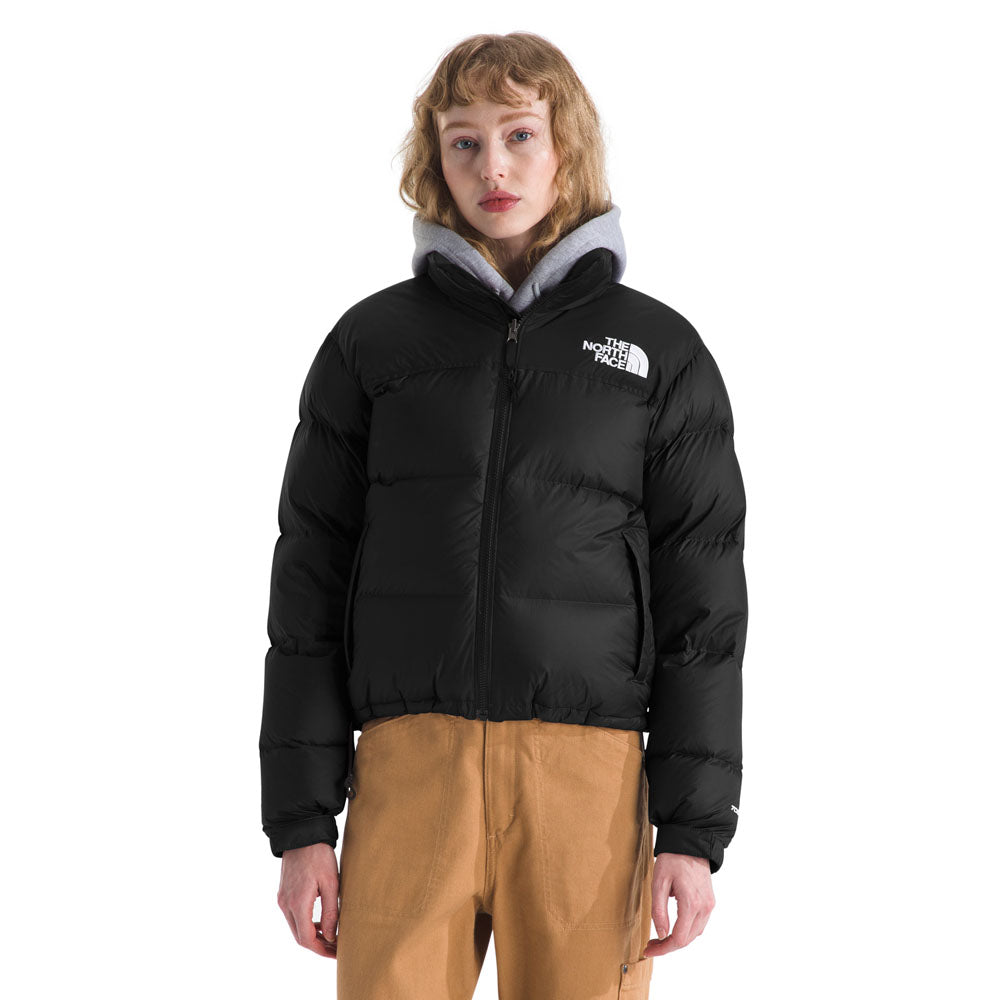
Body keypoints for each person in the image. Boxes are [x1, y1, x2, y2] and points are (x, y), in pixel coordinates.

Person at [259, 31, 748, 1000]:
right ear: (434, 158)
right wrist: (302, 825)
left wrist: (692, 832)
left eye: (520, 134)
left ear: (566, 145)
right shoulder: (371, 346)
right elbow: (308, 585)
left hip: (587, 784)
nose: (493, 166)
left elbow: (704, 606)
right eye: (465, 141)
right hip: (409, 774)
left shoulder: (657, 352)